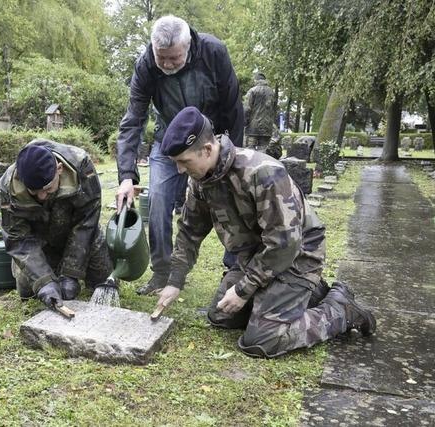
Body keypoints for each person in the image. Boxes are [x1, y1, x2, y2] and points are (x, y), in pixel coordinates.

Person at [154, 106, 376, 358]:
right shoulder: (201, 181)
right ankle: (301, 295)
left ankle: (340, 309)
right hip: (256, 259)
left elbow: (285, 244)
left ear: (206, 150)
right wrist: (175, 281)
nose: (181, 170)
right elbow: (189, 231)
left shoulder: (262, 173)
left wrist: (243, 290)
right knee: (220, 316)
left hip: (296, 257)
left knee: (261, 340)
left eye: (184, 162)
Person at [115, 15, 244, 295]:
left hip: (211, 142)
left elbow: (233, 107)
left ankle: (234, 271)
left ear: (189, 46)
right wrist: (126, 175)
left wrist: (235, 156)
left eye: (174, 58)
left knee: (229, 203)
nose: (168, 64)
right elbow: (133, 120)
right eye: (162, 58)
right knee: (159, 202)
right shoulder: (146, 64)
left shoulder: (213, 52)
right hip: (167, 143)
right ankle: (163, 273)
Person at [0, 140, 112, 308]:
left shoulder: (81, 166)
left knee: (102, 277)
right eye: (34, 192)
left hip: (77, 234)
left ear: (59, 169)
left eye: (48, 188)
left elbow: (87, 221)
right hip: (39, 240)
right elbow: (17, 238)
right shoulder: (9, 185)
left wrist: (70, 273)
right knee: (28, 292)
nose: (42, 196)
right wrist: (44, 281)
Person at [243, 72, 281, 159]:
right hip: (267, 127)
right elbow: (274, 110)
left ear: (256, 80)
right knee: (263, 150)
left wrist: (245, 123)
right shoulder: (271, 92)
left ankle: (251, 170)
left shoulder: (252, 91)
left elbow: (246, 109)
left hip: (253, 127)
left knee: (249, 150)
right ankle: (262, 168)